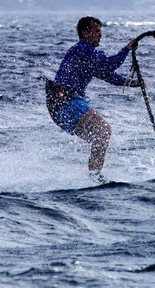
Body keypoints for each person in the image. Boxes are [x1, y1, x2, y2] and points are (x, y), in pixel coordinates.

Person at [46, 16, 140, 182]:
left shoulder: (86, 57)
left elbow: (109, 76)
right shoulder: (82, 49)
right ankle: (94, 176)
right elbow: (111, 64)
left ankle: (93, 176)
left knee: (100, 137)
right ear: (85, 33)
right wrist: (127, 48)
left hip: (58, 108)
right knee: (103, 131)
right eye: (97, 31)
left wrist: (132, 83)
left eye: (100, 31)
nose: (100, 35)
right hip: (66, 100)